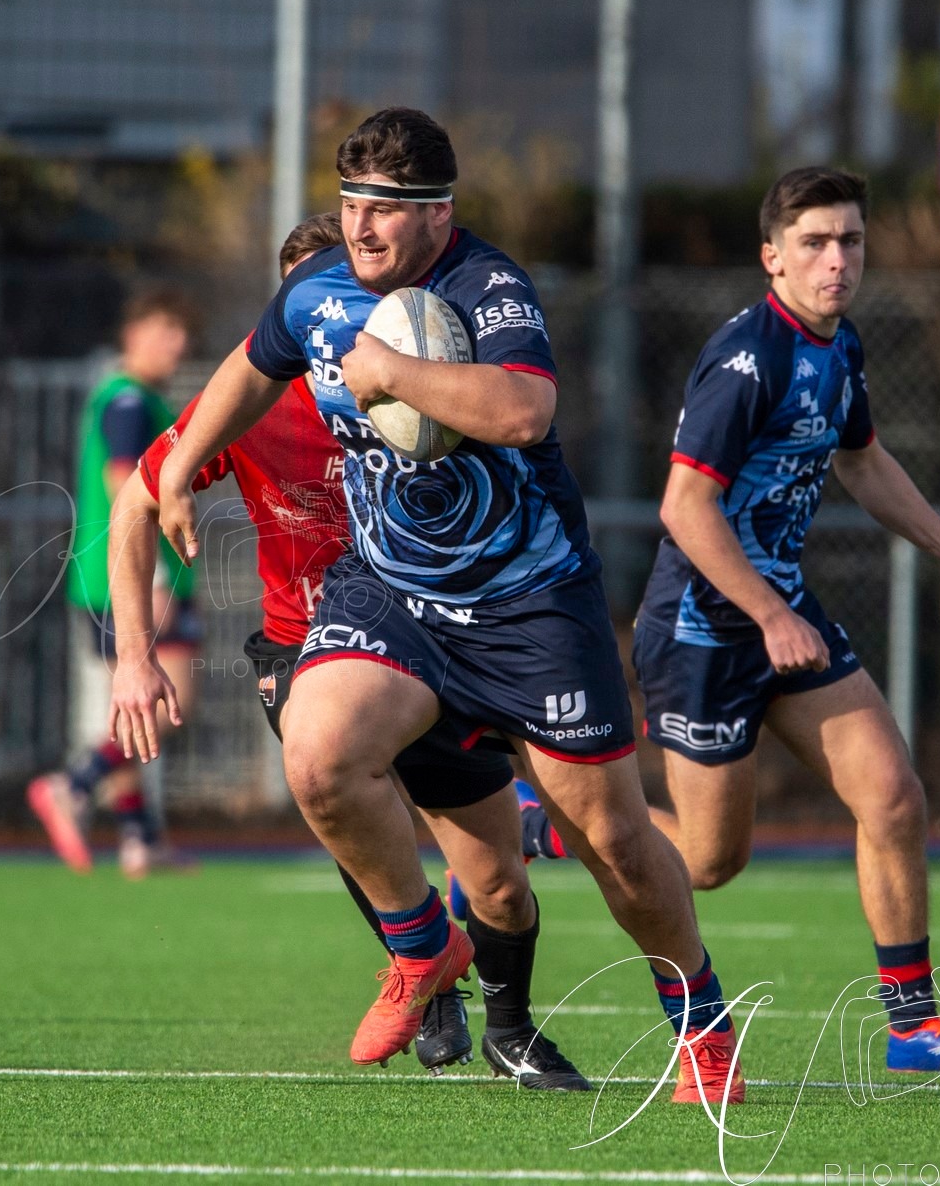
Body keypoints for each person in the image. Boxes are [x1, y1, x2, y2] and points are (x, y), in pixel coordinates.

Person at [155, 108, 743, 1103]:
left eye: (386, 208)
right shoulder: (317, 288)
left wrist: (392, 370)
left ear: (439, 213)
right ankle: (423, 944)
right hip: (393, 592)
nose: (361, 226)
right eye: (351, 203)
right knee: (318, 752)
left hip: (529, 605)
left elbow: (525, 410)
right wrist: (179, 469)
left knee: (614, 842)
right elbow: (249, 367)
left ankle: (703, 1019)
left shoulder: (488, 286)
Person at [108, 212, 587, 1087]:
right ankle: (428, 980)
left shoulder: (428, 385)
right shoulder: (246, 404)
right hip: (300, 646)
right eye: (310, 298)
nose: (331, 316)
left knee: (495, 880)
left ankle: (511, 1027)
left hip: (429, 637)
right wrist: (134, 658)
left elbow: (523, 442)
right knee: (336, 785)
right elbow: (132, 505)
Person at [631, 166, 940, 1075]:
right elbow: (684, 507)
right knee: (708, 864)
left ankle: (914, 1029)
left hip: (784, 618)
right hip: (705, 630)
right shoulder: (748, 360)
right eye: (813, 243)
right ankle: (544, 821)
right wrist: (769, 615)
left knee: (893, 796)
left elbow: (865, 462)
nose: (836, 259)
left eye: (850, 240)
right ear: (772, 257)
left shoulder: (839, 346)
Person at [31, 287, 202, 880]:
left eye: (180, 333)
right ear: (131, 335)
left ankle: (139, 838)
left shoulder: (129, 397)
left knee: (134, 707)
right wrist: (153, 577)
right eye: (163, 330)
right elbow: (124, 483)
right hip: (126, 581)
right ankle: (72, 785)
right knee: (174, 699)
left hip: (100, 581)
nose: (176, 344)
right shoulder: (129, 400)